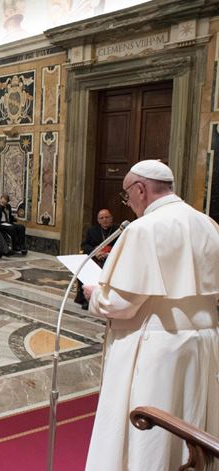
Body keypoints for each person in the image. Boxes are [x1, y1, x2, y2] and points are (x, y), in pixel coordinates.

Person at [82, 160, 219, 471]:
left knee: (152, 431)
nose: (127, 202)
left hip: (158, 345)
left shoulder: (144, 229)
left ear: (140, 189)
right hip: (206, 342)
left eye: (127, 195)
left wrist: (95, 295)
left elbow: (121, 303)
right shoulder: (207, 223)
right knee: (193, 419)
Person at [74, 209, 117, 310]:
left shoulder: (118, 230)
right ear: (98, 220)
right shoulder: (92, 230)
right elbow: (84, 245)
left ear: (111, 218)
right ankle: (86, 299)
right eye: (101, 218)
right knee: (84, 269)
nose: (104, 220)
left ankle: (105, 299)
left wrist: (108, 254)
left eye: (107, 217)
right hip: (96, 258)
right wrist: (95, 251)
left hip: (112, 259)